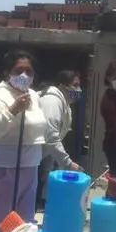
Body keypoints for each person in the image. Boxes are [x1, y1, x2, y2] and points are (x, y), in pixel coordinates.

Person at [0, 50, 47, 232]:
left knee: (24, 224)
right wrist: (12, 110)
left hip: (30, 166)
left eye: (29, 71)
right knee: (4, 224)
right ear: (6, 73)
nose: (24, 76)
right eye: (19, 71)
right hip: (5, 169)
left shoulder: (33, 96)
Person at [37, 70, 83, 207]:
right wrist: (68, 163)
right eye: (75, 85)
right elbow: (51, 136)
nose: (78, 90)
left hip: (40, 157)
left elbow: (55, 139)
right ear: (63, 86)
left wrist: (50, 166)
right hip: (30, 156)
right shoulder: (52, 102)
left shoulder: (64, 104)